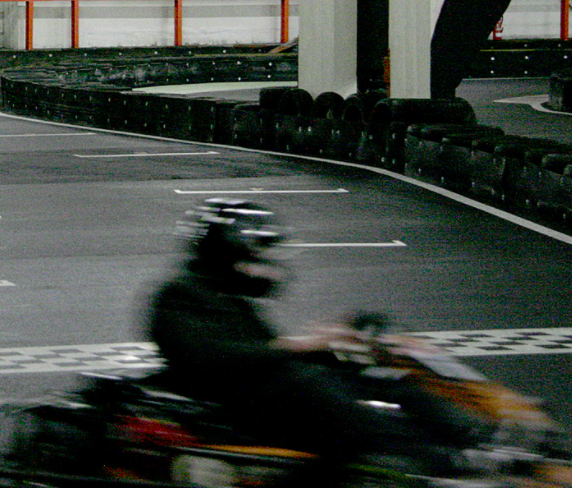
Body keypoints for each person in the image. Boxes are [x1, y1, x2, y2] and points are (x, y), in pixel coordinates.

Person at [145, 199, 488, 478]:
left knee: (373, 372)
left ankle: (472, 435)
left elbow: (266, 354)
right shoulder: (178, 294)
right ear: (225, 256)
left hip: (261, 391)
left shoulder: (225, 297)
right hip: (230, 404)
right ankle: (427, 462)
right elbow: (209, 358)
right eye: (254, 257)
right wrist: (300, 346)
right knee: (307, 381)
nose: (262, 266)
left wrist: (340, 344)